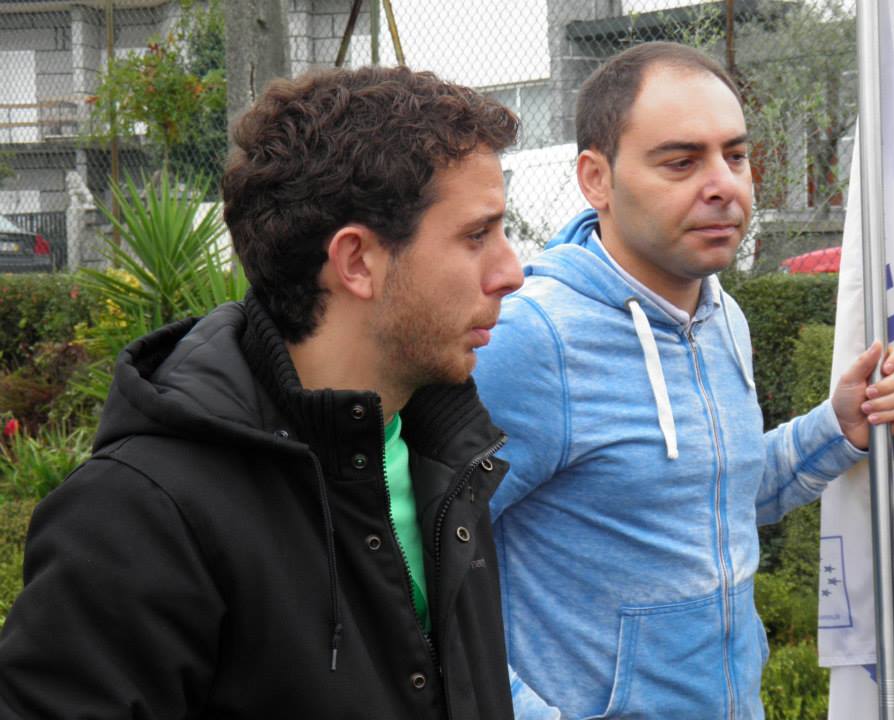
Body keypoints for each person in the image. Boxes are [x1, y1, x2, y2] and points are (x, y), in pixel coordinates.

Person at [0, 66, 523, 719]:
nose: (512, 271)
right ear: (356, 261)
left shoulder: (445, 454)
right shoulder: (140, 516)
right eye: (476, 235)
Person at [473, 42, 894, 720]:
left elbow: (714, 497)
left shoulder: (722, 316)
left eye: (735, 156)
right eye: (681, 161)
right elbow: (419, 562)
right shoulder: (530, 340)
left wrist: (837, 428)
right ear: (596, 179)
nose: (724, 185)